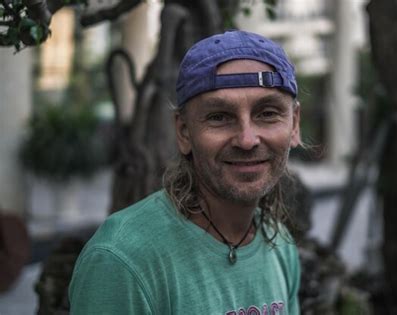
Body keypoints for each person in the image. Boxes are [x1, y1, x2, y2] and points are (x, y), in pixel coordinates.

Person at [69, 30, 302, 315]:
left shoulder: (278, 242)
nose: (247, 139)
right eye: (219, 116)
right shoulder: (123, 260)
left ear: (294, 125)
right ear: (183, 132)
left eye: (267, 113)